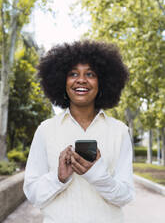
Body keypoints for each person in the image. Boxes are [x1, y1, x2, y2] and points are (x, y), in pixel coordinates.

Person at [23, 40, 135, 223]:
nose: (81, 80)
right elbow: (33, 195)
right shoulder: (45, 130)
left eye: (90, 74)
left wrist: (97, 174)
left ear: (102, 82)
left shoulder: (119, 131)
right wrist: (58, 177)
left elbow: (126, 196)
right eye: (73, 74)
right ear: (62, 82)